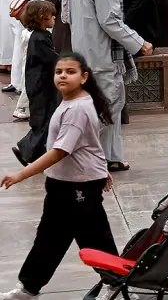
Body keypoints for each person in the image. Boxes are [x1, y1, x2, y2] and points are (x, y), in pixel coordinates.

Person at [1, 53, 121, 300]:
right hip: (64, 184)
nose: (63, 75)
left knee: (94, 236)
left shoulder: (77, 108)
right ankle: (29, 287)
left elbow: (59, 151)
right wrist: (102, 170)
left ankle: (115, 281)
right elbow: (90, 144)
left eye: (70, 71)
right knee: (50, 237)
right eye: (59, 72)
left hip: (78, 186)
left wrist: (21, 174)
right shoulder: (73, 101)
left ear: (84, 77)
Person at [68, 0, 152, 173]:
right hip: (100, 50)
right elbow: (110, 20)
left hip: (86, 47)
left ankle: (110, 156)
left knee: (111, 102)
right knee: (107, 103)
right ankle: (78, 153)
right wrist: (139, 42)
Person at [13, 2, 58, 166]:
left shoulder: (41, 36)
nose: (54, 17)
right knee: (43, 121)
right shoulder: (39, 38)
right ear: (41, 17)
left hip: (41, 85)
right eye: (51, 15)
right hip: (41, 86)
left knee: (46, 119)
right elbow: (51, 59)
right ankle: (26, 150)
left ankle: (38, 155)